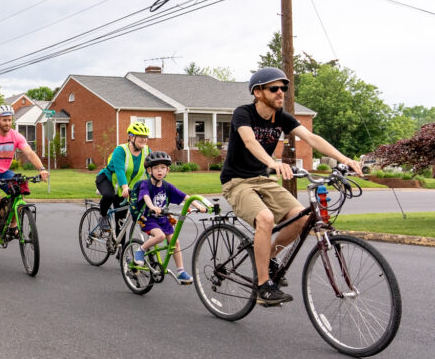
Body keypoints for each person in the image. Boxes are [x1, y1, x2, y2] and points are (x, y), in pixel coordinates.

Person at [220, 67, 363, 306]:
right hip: (237, 181)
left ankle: (268, 258)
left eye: (283, 88)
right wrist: (272, 163)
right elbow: (249, 140)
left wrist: (345, 159)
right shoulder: (243, 113)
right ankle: (263, 287)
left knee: (301, 217)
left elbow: (312, 139)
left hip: (263, 179)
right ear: (257, 92)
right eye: (274, 88)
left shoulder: (281, 117)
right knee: (265, 218)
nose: (281, 93)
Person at [0, 104, 48, 249]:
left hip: (4, 171)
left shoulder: (16, 135)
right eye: (4, 120)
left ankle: (12, 226)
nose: (8, 123)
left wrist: (41, 168)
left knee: (19, 195)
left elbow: (29, 153)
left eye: (9, 120)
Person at [132, 151, 206, 284]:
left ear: (167, 170)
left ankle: (180, 272)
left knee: (174, 243)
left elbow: (184, 196)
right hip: (148, 219)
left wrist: (199, 205)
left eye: (162, 168)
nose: (159, 171)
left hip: (163, 219)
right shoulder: (146, 184)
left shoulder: (167, 186)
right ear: (149, 170)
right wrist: (152, 206)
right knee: (159, 237)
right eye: (155, 168)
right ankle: (140, 250)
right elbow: (146, 197)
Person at [94, 122, 150, 234]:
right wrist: (125, 187)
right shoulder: (120, 150)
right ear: (131, 137)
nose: (144, 139)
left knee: (121, 223)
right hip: (107, 179)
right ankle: (103, 216)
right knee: (109, 195)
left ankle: (120, 250)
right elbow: (120, 171)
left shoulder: (147, 151)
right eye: (140, 136)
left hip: (126, 190)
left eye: (146, 137)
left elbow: (150, 171)